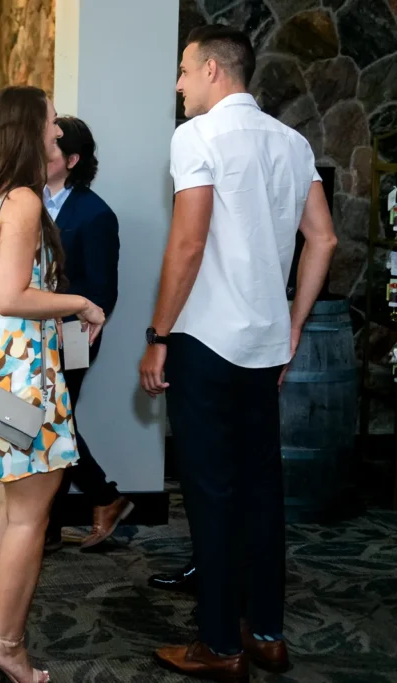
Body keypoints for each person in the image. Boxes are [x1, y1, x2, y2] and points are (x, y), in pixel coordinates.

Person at [141, 26, 336, 680]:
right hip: (262, 346)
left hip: (204, 343)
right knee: (261, 490)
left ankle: (220, 643)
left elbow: (188, 243)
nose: (178, 84)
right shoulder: (293, 141)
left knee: (211, 492)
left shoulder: (196, 136)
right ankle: (269, 634)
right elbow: (324, 239)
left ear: (215, 72)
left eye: (184, 71)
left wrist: (158, 333)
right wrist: (294, 325)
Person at [0, 86, 106, 683]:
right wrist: (80, 303)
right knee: (31, 517)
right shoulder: (23, 202)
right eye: (48, 120)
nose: (56, 131)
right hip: (21, 381)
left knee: (12, 512)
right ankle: (5, 645)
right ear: (26, 129)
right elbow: (14, 294)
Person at [42, 115, 132, 552]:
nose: (42, 151)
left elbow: (103, 291)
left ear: (72, 160)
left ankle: (100, 497)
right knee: (52, 422)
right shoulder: (27, 201)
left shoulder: (97, 216)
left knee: (54, 420)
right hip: (31, 332)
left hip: (76, 336)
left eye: (52, 145)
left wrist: (70, 317)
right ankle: (60, 521)